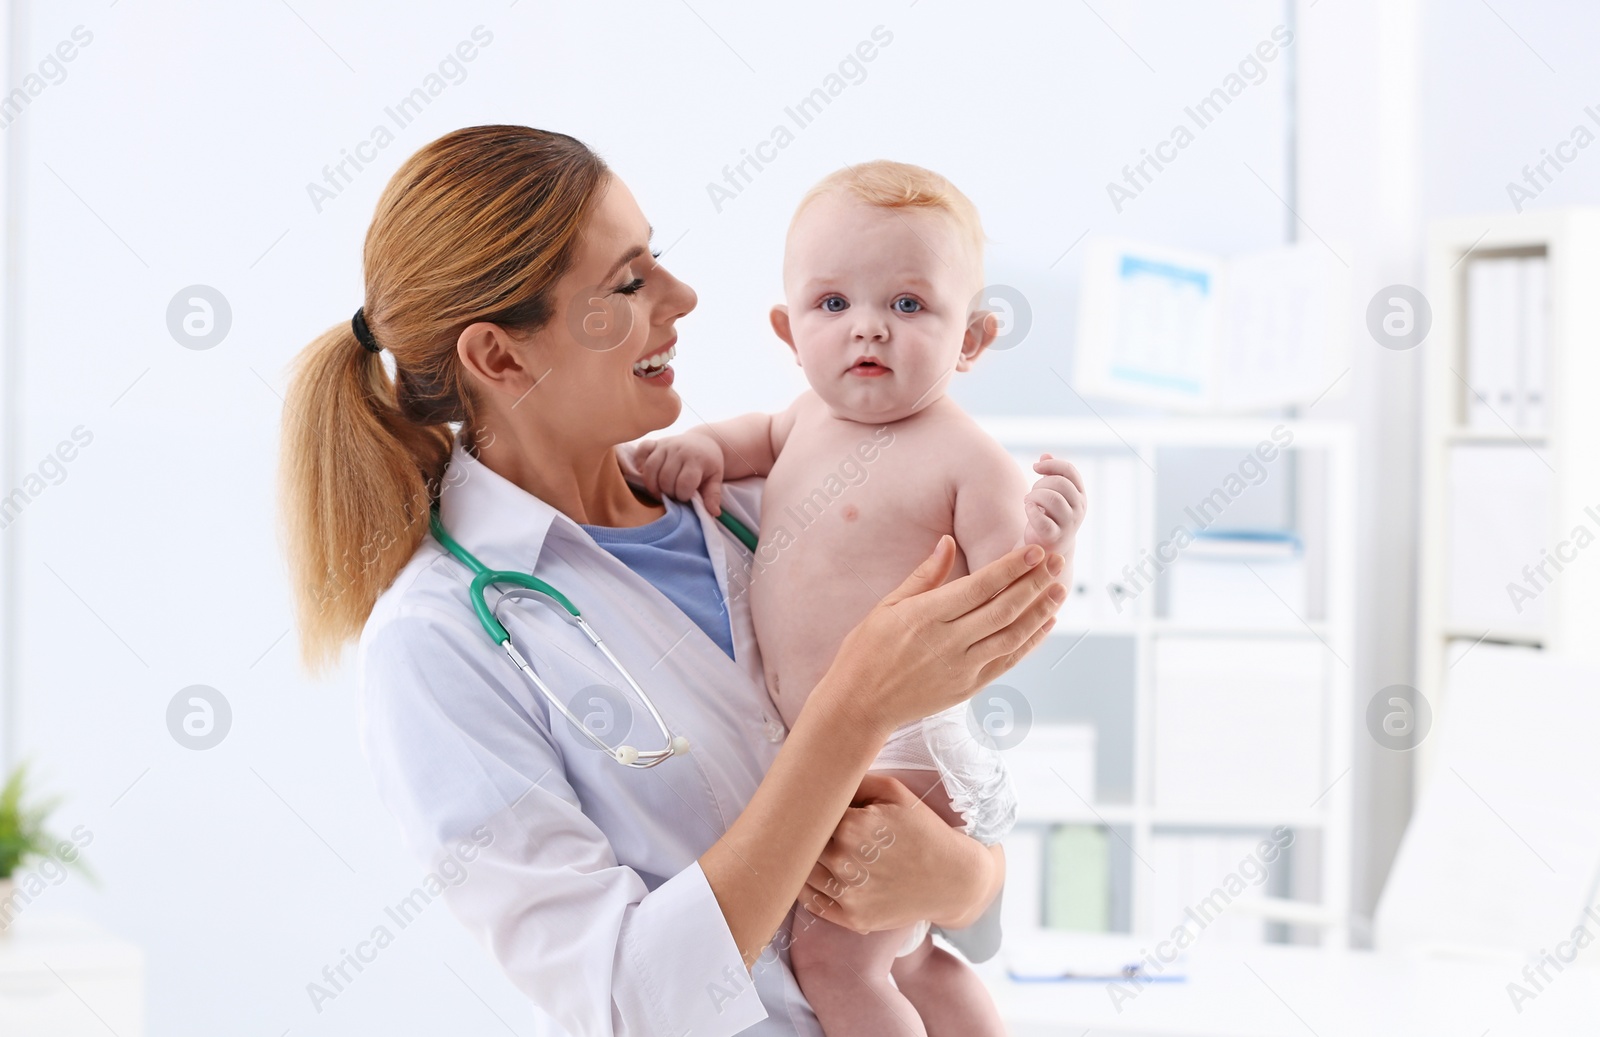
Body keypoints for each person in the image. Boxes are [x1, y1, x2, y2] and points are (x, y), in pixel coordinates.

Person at [277, 125, 1067, 1037]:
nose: (683, 297)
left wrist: (964, 878)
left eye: (659, 259)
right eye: (628, 282)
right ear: (500, 357)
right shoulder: (440, 640)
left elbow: (962, 840)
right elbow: (624, 999)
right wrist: (850, 711)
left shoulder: (768, 498)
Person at [634, 160, 1085, 1036]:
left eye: (909, 305)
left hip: (909, 749)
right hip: (841, 747)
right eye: (833, 304)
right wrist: (699, 450)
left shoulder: (965, 456)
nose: (868, 328)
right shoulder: (801, 418)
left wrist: (1050, 543)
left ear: (972, 340)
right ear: (788, 328)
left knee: (835, 958)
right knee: (907, 957)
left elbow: (1012, 600)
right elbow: (750, 440)